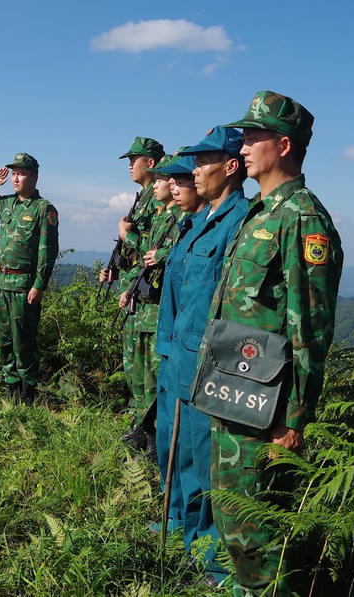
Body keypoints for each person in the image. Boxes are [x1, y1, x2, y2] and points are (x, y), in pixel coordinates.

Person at [207, 92, 343, 595]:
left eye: (253, 136)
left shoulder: (302, 218)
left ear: (283, 145)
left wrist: (294, 417)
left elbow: (310, 326)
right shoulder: (259, 213)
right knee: (233, 525)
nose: (242, 146)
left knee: (261, 535)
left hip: (267, 410)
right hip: (233, 395)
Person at [153, 128, 249, 583]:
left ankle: (206, 555)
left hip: (203, 364)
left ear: (230, 167)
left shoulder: (239, 221)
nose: (193, 171)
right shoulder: (196, 220)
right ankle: (176, 529)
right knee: (170, 448)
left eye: (202, 161)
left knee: (201, 460)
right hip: (175, 356)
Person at [0, 152, 59, 403]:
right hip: (1, 283)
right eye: (14, 173)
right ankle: (11, 391)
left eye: (21, 173)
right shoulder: (7, 204)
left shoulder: (43, 209)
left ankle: (28, 395)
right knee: (3, 340)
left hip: (24, 285)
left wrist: (39, 284)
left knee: (23, 341)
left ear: (34, 177)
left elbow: (48, 251)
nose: (15, 178)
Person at [100, 136, 164, 441]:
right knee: (134, 370)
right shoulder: (142, 198)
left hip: (149, 302)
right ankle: (140, 427)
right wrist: (116, 269)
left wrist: (128, 236)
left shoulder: (160, 199)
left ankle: (151, 435)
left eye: (133, 160)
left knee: (149, 373)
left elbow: (157, 250)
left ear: (149, 162)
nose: (129, 166)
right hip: (133, 295)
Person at [119, 154, 182, 454]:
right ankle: (143, 433)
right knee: (139, 374)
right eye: (155, 179)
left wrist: (129, 237)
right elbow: (143, 263)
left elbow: (155, 256)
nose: (157, 184)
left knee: (155, 378)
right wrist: (127, 286)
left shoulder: (179, 219)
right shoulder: (160, 217)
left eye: (162, 179)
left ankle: (155, 441)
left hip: (158, 311)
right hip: (142, 306)